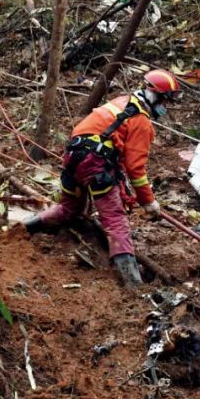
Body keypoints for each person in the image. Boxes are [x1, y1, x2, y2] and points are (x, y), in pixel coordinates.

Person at [23, 70, 182, 285]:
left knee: (69, 208)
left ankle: (23, 228)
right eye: (165, 101)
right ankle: (134, 285)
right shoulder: (141, 121)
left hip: (73, 156)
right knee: (116, 221)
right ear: (156, 96)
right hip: (95, 164)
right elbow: (136, 169)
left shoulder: (121, 102)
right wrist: (148, 201)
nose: (166, 107)